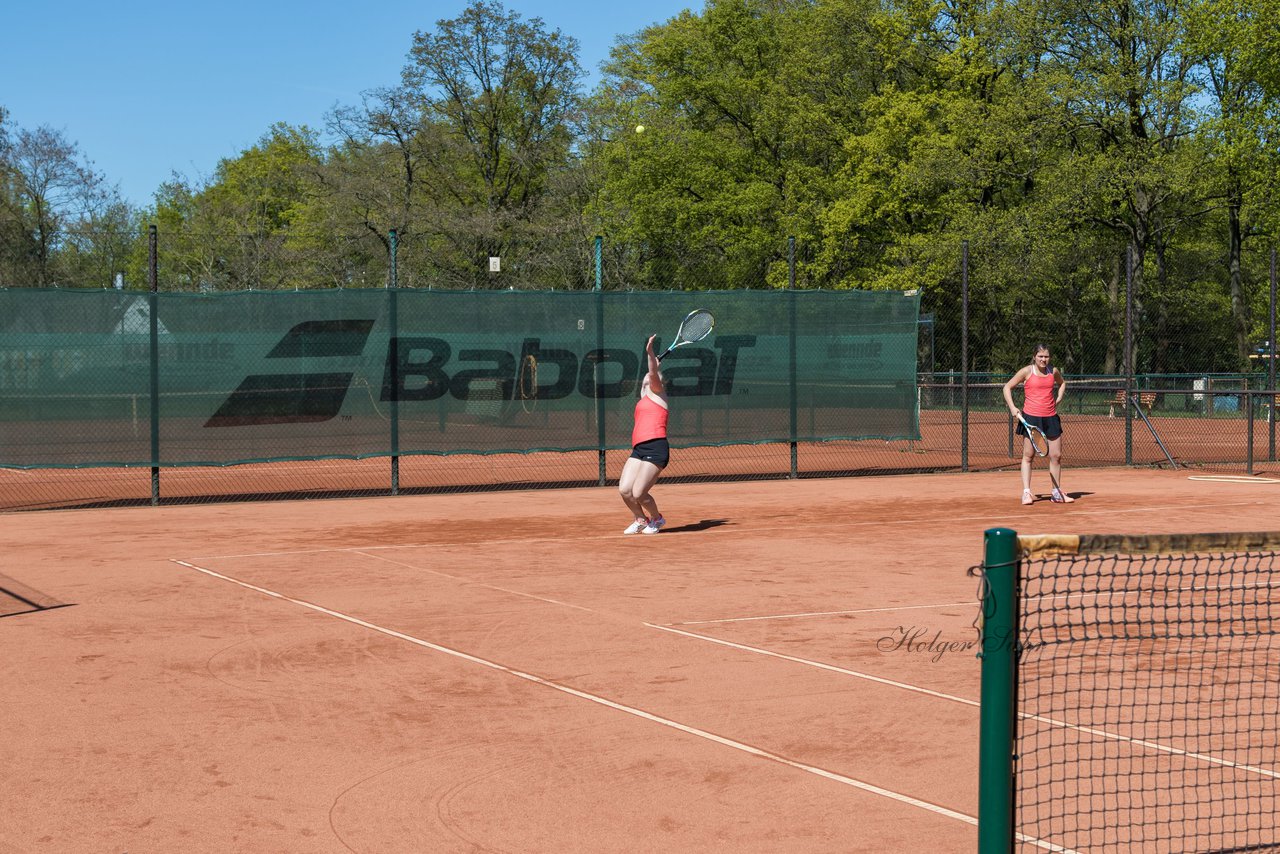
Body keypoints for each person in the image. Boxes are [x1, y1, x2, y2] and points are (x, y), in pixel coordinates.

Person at [1003, 344, 1075, 505]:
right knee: (1028, 456)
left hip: (1051, 418)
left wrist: (1059, 397)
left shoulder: (1053, 371)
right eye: (1040, 356)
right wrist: (1013, 408)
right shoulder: (1026, 371)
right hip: (1031, 419)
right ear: (1034, 356)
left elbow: (1062, 383)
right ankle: (1027, 493)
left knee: (1056, 456)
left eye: (1046, 356)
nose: (1043, 359)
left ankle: (1056, 493)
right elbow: (1007, 387)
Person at [620, 334, 669, 534]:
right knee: (625, 491)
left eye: (651, 378)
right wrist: (651, 367)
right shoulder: (643, 399)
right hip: (639, 449)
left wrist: (650, 354)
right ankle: (640, 519)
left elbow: (652, 374)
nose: (647, 379)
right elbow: (648, 376)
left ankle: (657, 519)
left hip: (656, 447)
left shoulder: (659, 394)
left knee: (639, 493)